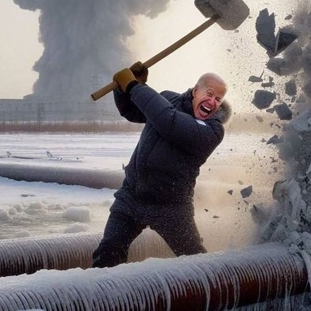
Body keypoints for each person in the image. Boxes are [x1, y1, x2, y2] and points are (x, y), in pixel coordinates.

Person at [92, 63, 231, 268]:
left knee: (195, 261)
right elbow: (131, 111)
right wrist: (122, 89)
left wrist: (134, 86)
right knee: (108, 252)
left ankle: (217, 292)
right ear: (195, 91)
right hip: (131, 197)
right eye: (209, 93)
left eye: (218, 99)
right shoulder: (167, 98)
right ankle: (103, 297)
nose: (212, 101)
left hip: (171, 206)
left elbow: (169, 121)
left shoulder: (212, 131)